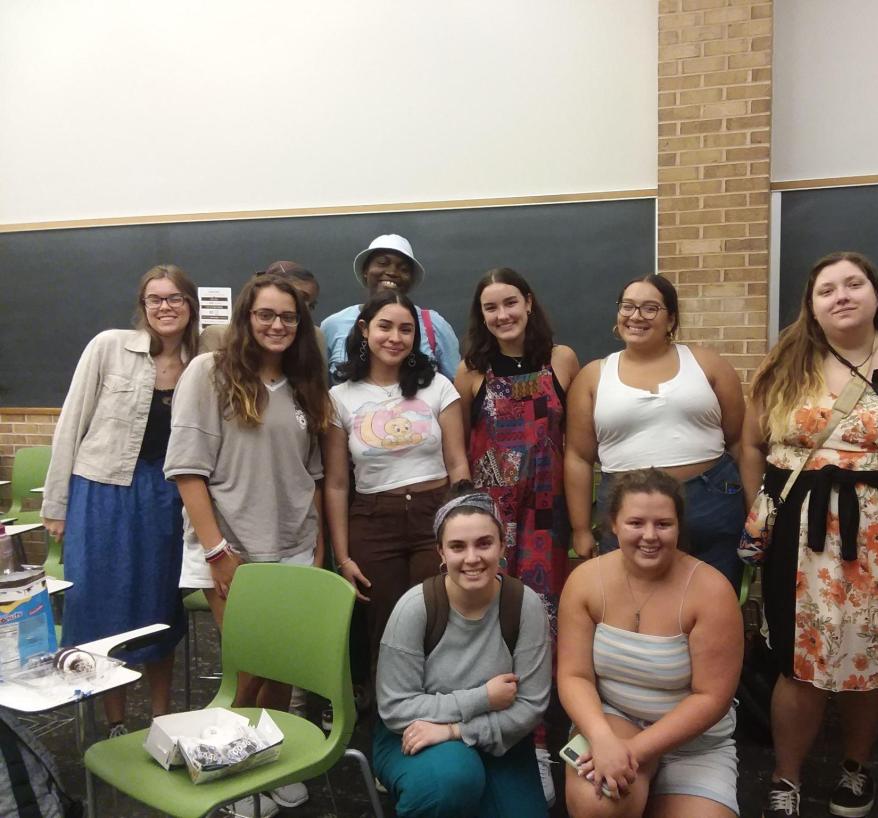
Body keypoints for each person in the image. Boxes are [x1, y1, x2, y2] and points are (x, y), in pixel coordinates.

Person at [739, 251, 878, 818]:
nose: (842, 295)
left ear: (875, 292)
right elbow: (750, 447)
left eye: (853, 283)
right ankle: (786, 778)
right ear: (811, 305)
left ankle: (856, 771)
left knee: (872, 657)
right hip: (799, 532)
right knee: (799, 661)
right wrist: (761, 513)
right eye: (826, 289)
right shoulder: (784, 363)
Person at [164, 273, 330, 815]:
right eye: (266, 314)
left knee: (284, 668)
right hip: (230, 548)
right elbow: (188, 471)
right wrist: (216, 551)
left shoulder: (307, 383)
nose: (277, 325)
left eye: (288, 317)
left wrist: (318, 546)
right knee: (250, 665)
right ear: (246, 318)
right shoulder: (209, 373)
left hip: (294, 548)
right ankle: (229, 772)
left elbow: (313, 476)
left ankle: (272, 763)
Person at [41, 264, 197, 737]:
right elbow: (72, 421)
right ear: (143, 306)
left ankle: (161, 717)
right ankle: (114, 722)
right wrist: (56, 503)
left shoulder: (205, 361)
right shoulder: (109, 346)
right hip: (102, 492)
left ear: (190, 305)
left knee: (159, 607)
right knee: (101, 605)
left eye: (175, 298)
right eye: (155, 299)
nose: (165, 307)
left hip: (167, 497)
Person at [454, 266, 580, 804]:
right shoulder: (470, 370)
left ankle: (542, 744)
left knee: (546, 626)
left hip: (548, 520)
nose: (502, 315)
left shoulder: (564, 360)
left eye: (510, 302)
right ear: (481, 316)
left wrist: (581, 524)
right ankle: (496, 735)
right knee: (492, 622)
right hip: (493, 519)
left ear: (528, 302)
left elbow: (578, 442)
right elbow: (458, 445)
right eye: (490, 307)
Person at [557, 468, 743, 818]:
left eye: (663, 524)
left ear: (678, 526)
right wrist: (601, 738)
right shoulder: (584, 581)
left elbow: (712, 697)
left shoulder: (712, 590)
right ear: (613, 524)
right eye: (636, 523)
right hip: (613, 721)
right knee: (598, 802)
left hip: (694, 742)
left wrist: (633, 752)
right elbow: (574, 675)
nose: (649, 535)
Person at [372, 483, 552, 818]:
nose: (472, 558)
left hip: (498, 737)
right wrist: (482, 697)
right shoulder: (416, 608)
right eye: (458, 546)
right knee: (452, 781)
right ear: (441, 552)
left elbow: (531, 706)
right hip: (413, 733)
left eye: (484, 543)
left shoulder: (523, 605)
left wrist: (457, 731)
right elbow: (396, 707)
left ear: (502, 545)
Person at [565, 273, 747, 590]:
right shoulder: (593, 376)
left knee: (714, 599)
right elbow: (579, 457)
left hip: (709, 503)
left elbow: (739, 440)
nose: (636, 316)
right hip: (625, 511)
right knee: (631, 606)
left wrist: (753, 513)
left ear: (671, 319)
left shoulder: (707, 364)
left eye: (650, 308)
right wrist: (581, 528)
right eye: (628, 307)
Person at [324, 290, 469, 686]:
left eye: (406, 330)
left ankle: (440, 724)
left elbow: (458, 464)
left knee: (438, 623)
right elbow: (337, 484)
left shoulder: (437, 386)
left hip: (434, 517)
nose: (395, 337)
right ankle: (381, 733)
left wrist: (461, 529)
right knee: (383, 633)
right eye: (385, 326)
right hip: (373, 524)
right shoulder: (339, 397)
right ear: (364, 330)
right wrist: (343, 557)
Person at [321, 234, 460, 381]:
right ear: (365, 271)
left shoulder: (433, 324)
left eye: (404, 269)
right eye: (382, 263)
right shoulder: (333, 325)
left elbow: (457, 384)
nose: (392, 272)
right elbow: (318, 389)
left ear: (411, 279)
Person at [198, 261, 327, 365]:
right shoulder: (218, 336)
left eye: (311, 305)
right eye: (298, 297)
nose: (304, 308)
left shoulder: (315, 337)